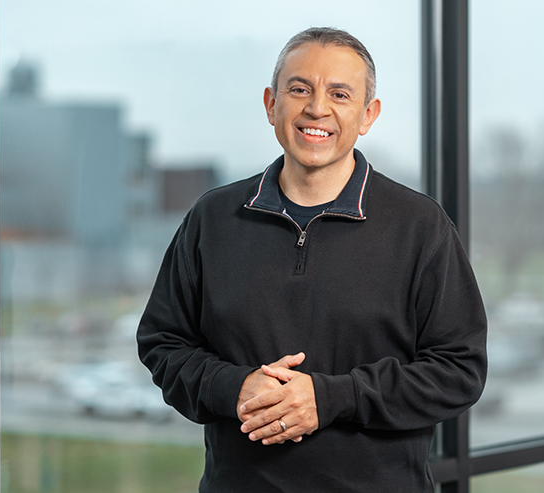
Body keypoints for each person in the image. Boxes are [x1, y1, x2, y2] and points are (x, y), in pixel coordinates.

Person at [137, 27, 487, 492]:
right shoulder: (212, 218)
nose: (316, 108)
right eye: (299, 89)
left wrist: (330, 398)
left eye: (339, 94)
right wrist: (234, 386)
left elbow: (459, 371)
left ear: (367, 115)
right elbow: (163, 343)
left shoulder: (420, 226)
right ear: (270, 104)